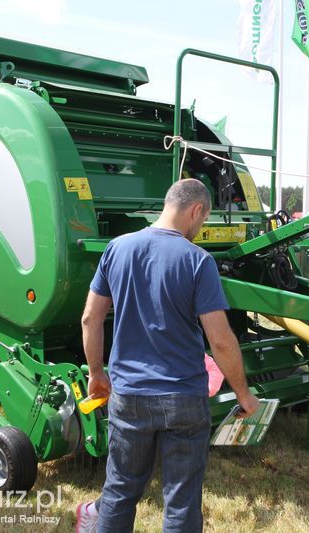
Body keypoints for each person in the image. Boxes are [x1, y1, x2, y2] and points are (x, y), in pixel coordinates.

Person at [77, 179, 259, 532]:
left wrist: (96, 372)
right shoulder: (198, 261)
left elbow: (90, 318)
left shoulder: (117, 248)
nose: (200, 229)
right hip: (183, 398)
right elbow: (220, 341)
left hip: (128, 394)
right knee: (181, 502)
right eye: (203, 221)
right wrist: (243, 393)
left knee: (119, 491)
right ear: (196, 211)